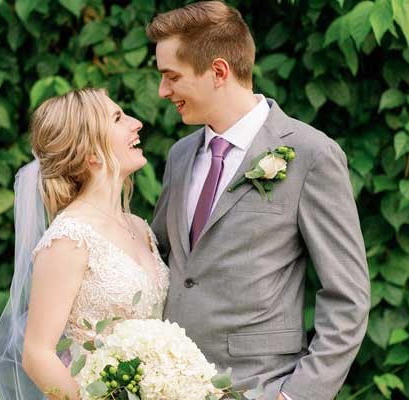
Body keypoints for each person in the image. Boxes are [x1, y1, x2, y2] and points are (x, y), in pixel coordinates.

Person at [147, 2, 370, 400]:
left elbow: (348, 297)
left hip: (260, 386)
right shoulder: (180, 155)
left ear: (218, 71)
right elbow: (160, 259)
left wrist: (297, 395)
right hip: (170, 386)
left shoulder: (311, 154)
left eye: (172, 77)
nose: (163, 91)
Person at [0, 88, 169, 400]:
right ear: (91, 152)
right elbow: (37, 355)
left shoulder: (139, 227)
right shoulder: (69, 238)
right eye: (118, 118)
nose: (136, 123)